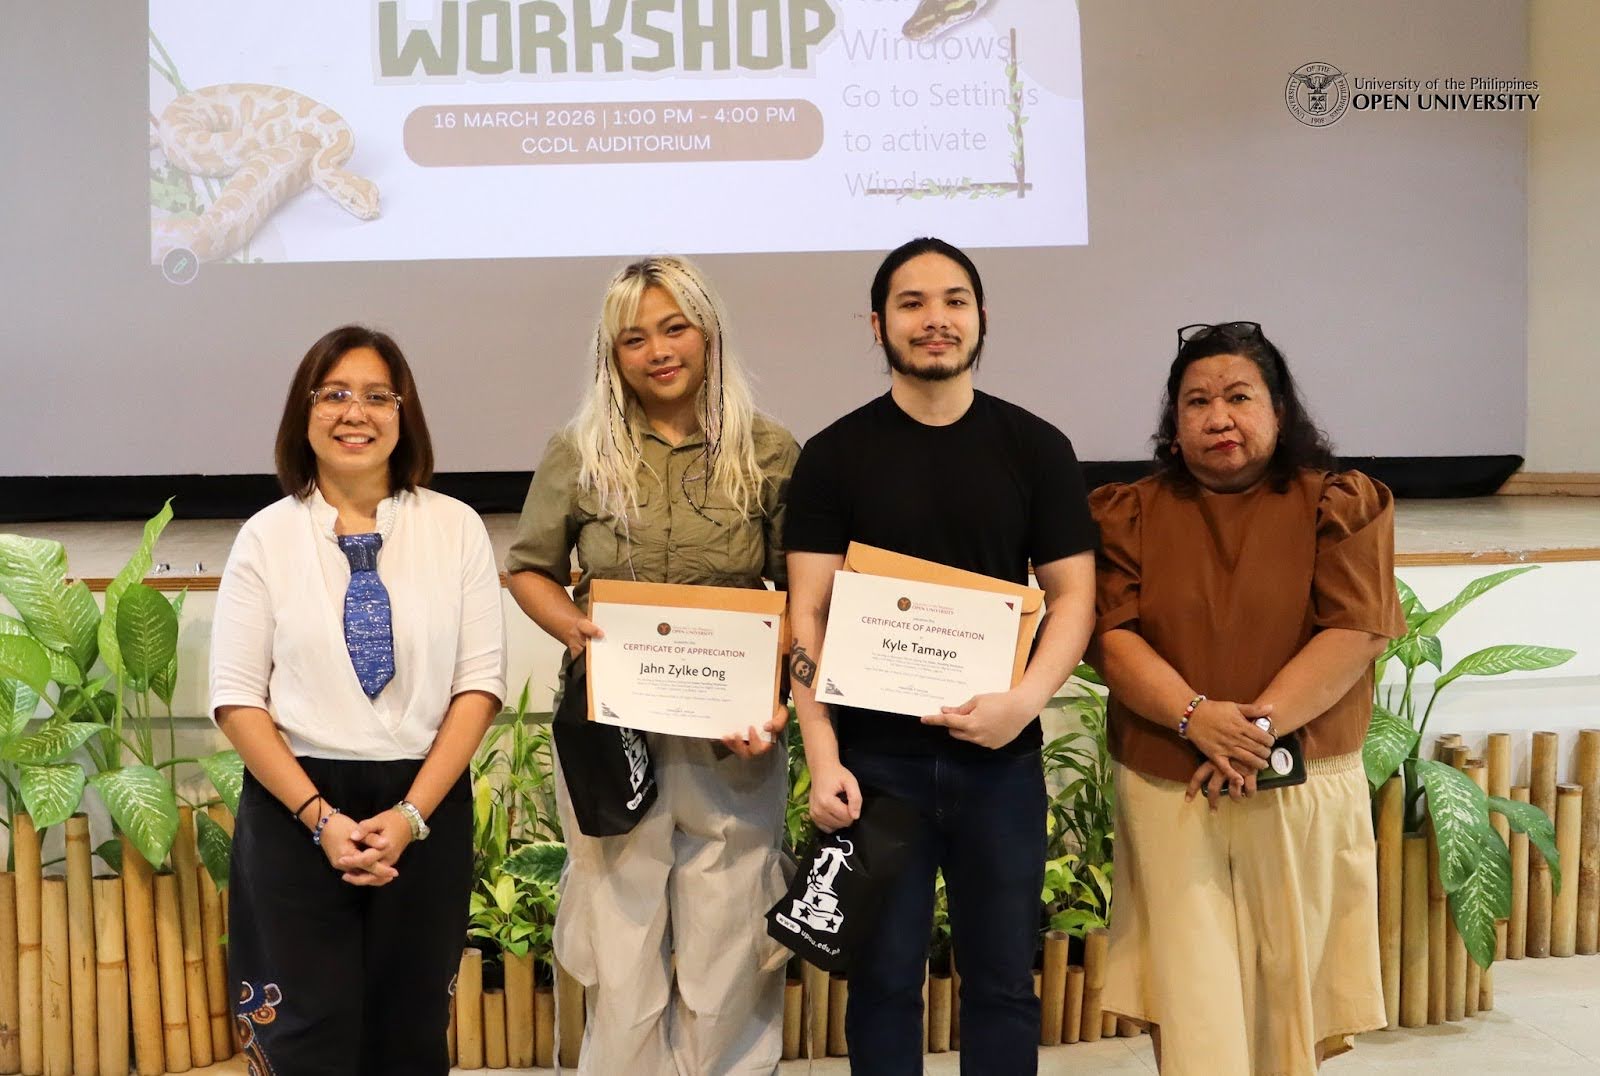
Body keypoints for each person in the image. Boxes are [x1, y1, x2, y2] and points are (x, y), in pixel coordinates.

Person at [784, 237, 1098, 1074]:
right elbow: (805, 615)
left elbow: (1074, 598)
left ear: (981, 318)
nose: (935, 321)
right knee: (883, 985)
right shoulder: (833, 456)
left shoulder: (1036, 448)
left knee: (1002, 985)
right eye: (913, 303)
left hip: (998, 762)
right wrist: (822, 757)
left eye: (954, 301)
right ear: (878, 323)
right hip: (875, 766)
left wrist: (1023, 702)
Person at [505, 255, 800, 1074]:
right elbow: (530, 567)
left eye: (674, 328)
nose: (658, 350)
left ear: (708, 333)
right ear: (613, 353)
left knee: (730, 935)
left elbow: (800, 595)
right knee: (619, 932)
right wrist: (577, 632)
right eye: (634, 337)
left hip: (732, 737)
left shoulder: (770, 451)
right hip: (610, 730)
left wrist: (773, 694)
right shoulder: (579, 450)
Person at [1089, 321, 1405, 1074]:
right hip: (1172, 787)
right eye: (1196, 401)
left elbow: (1357, 630)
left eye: (1238, 397)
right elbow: (1110, 635)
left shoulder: (1340, 501)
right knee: (1195, 1006)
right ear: (1174, 424)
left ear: (1279, 411)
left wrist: (1250, 731)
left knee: (1288, 1003)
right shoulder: (1128, 512)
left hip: (1302, 786)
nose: (1218, 417)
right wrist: (1198, 720)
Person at [209, 325, 506, 1075]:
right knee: (302, 1034)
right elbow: (238, 700)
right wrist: (321, 819)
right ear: (303, 414)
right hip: (296, 805)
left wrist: (410, 817)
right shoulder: (265, 538)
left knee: (410, 1033)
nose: (356, 413)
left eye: (378, 396)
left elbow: (479, 686)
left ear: (403, 416)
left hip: (424, 803)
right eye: (334, 394)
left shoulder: (456, 528)